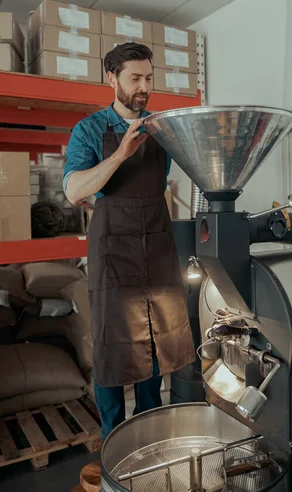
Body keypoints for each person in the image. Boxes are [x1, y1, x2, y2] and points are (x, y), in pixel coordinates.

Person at [63, 42, 195, 440]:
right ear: (111, 78)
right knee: (113, 345)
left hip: (155, 244)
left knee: (154, 342)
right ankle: (114, 440)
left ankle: (151, 437)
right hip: (113, 250)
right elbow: (74, 191)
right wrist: (120, 153)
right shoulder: (88, 129)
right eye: (134, 78)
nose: (143, 87)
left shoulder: (162, 126)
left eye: (148, 78)